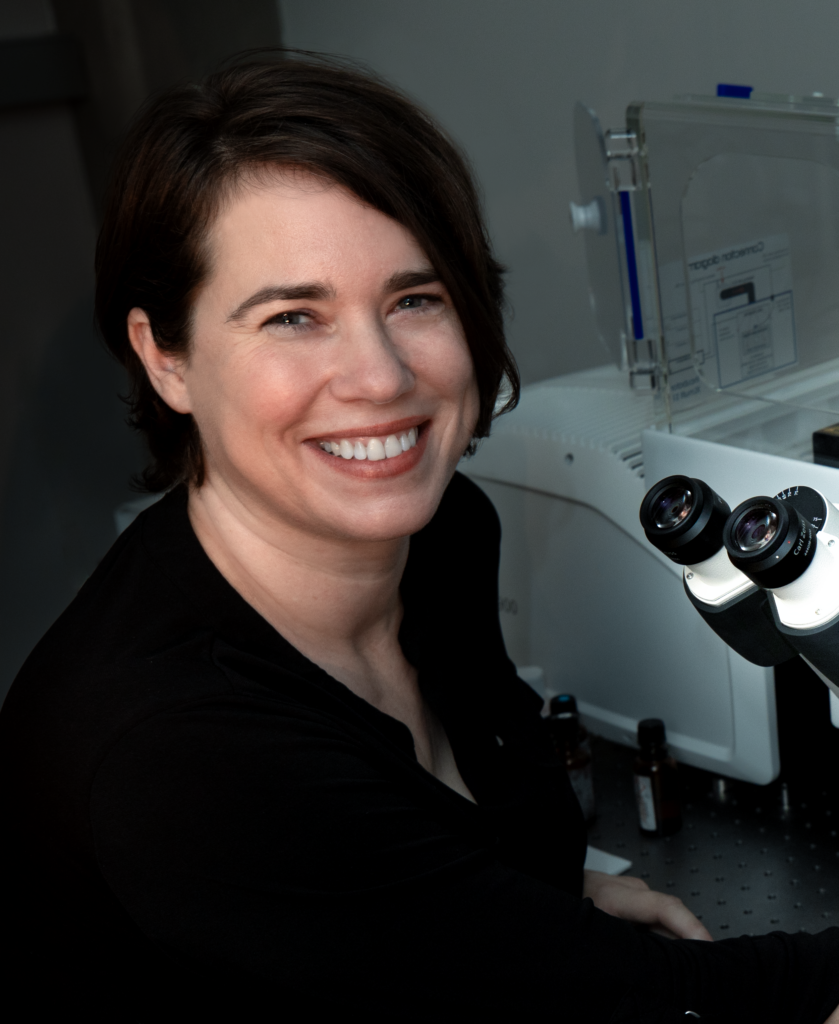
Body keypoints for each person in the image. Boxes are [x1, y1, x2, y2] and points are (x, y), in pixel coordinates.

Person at [0, 51, 838, 1023]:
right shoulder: (181, 756)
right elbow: (676, 1005)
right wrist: (510, 944)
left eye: (413, 298)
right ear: (167, 358)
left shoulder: (439, 536)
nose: (380, 374)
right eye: (292, 316)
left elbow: (437, 859)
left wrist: (512, 914)